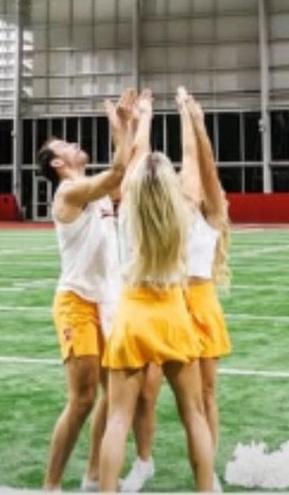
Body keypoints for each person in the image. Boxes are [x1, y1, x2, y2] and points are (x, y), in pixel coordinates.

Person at [96, 89, 215, 492]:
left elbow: (138, 152)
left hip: (133, 312)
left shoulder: (127, 202)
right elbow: (191, 157)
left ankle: (108, 489)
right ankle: (204, 488)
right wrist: (186, 113)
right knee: (194, 414)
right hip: (172, 313)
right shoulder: (185, 203)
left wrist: (143, 115)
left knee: (117, 418)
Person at [121, 89, 231, 492]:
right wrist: (153, 116)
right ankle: (143, 462)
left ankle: (206, 471)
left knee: (202, 397)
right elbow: (142, 166)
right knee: (145, 394)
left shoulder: (210, 210)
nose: (189, 179)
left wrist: (190, 116)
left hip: (198, 304)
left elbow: (197, 157)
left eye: (194, 176)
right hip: (165, 301)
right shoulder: (171, 207)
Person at [39, 90, 137, 491]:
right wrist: (119, 126)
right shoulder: (68, 192)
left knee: (113, 397)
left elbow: (124, 174)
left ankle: (94, 475)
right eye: (64, 144)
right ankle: (51, 485)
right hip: (76, 302)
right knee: (81, 401)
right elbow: (115, 175)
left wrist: (129, 127)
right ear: (58, 163)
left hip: (107, 302)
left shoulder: (95, 192)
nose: (74, 142)